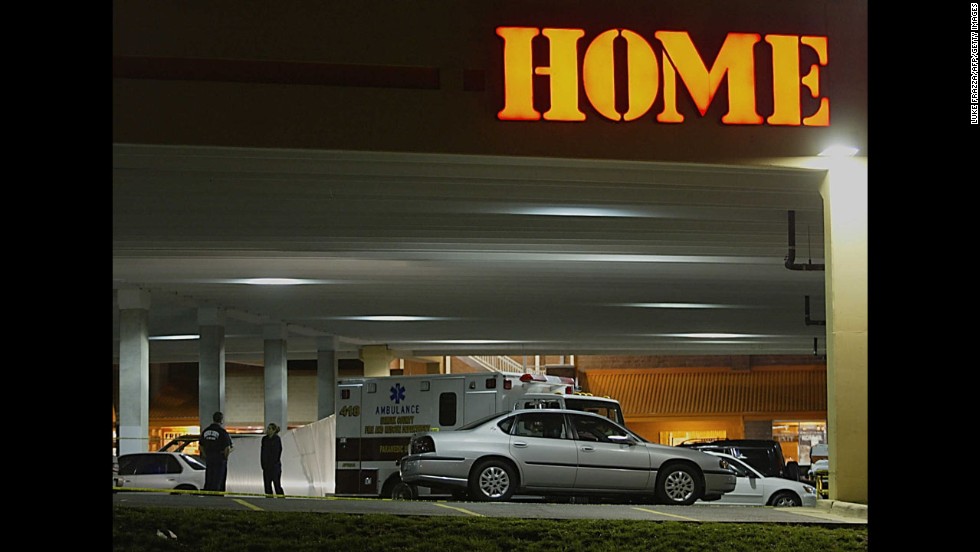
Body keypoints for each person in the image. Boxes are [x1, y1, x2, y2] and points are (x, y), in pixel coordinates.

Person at [199, 411, 233, 492]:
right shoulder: (222, 432)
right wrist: (225, 457)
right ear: (221, 420)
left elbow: (201, 445)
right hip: (219, 459)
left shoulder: (205, 431)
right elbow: (227, 448)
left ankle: (208, 493)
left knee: (209, 477)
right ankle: (217, 497)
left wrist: (205, 455)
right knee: (219, 479)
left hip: (209, 458)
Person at [261, 422, 285, 496]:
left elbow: (277, 453)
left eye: (269, 428)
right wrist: (263, 464)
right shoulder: (264, 439)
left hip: (274, 466)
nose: (267, 430)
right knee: (267, 486)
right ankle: (269, 502)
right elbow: (263, 452)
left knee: (277, 485)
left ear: (274, 430)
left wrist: (273, 463)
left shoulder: (277, 439)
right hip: (266, 466)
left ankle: (281, 501)